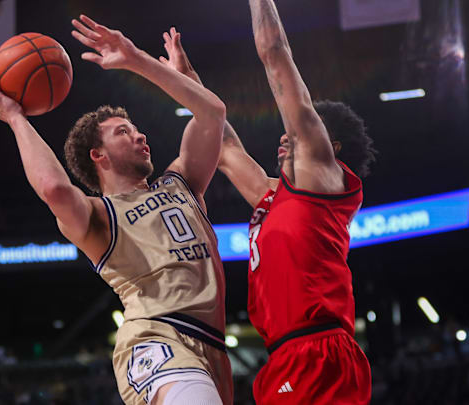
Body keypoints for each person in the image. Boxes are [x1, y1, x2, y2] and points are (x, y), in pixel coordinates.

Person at [0, 15, 232, 405]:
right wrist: (15, 118)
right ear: (98, 156)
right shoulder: (99, 217)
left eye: (135, 129)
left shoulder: (181, 182)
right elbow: (53, 188)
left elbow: (213, 113)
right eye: (123, 132)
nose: (139, 134)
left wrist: (136, 60)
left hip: (211, 345)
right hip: (156, 339)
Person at [157, 1, 377, 401]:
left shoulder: (321, 180)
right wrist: (187, 78)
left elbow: (275, 55)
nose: (284, 136)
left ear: (329, 146)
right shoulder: (273, 195)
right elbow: (221, 144)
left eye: (294, 133)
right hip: (282, 358)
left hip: (320, 351)